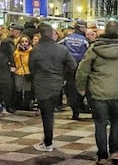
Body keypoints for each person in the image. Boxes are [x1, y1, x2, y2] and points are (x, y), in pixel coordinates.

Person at [75, 20, 118, 165]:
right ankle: (114, 151)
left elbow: (82, 70)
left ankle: (102, 156)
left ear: (104, 31)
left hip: (98, 93)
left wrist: (81, 88)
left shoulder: (94, 48)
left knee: (100, 125)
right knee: (116, 124)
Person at [29, 24, 77, 152]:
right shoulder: (62, 49)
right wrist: (63, 75)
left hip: (41, 85)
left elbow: (31, 68)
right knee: (50, 113)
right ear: (52, 34)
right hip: (57, 84)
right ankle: (47, 140)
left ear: (40, 35)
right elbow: (73, 66)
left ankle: (48, 142)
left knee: (46, 114)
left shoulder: (35, 50)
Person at [60, 19, 90, 120]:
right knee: (80, 87)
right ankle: (80, 106)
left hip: (69, 67)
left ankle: (74, 110)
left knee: (71, 89)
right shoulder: (85, 40)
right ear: (82, 28)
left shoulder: (67, 38)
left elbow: (58, 46)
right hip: (81, 67)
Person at [13, 35, 34, 111]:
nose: (24, 43)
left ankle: (27, 105)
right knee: (18, 88)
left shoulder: (32, 51)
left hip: (28, 72)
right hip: (18, 72)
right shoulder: (16, 51)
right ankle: (19, 104)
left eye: (26, 41)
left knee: (28, 89)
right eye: (22, 41)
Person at [0, 30, 16, 114]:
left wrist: (12, 65)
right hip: (5, 74)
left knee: (6, 90)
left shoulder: (5, 45)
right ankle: (5, 106)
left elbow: (11, 57)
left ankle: (6, 106)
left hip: (4, 72)